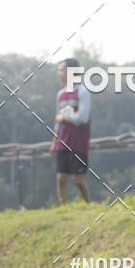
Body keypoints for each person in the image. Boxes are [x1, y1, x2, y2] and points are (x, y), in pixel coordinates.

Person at [50, 57, 91, 205]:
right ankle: (64, 208)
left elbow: (83, 118)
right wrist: (54, 141)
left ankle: (88, 205)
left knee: (78, 180)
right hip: (63, 141)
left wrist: (64, 118)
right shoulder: (60, 94)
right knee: (61, 178)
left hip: (78, 142)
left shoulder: (83, 92)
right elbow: (57, 122)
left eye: (61, 70)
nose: (59, 73)